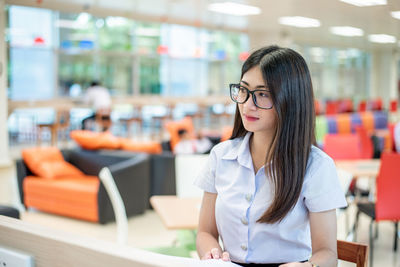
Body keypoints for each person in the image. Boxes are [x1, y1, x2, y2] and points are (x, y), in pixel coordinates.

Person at [194, 45, 347, 267]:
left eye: (262, 95)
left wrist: (307, 266)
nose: (247, 104)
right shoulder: (221, 156)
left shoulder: (316, 167)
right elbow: (205, 233)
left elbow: (327, 253)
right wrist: (212, 254)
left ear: (290, 101)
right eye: (244, 90)